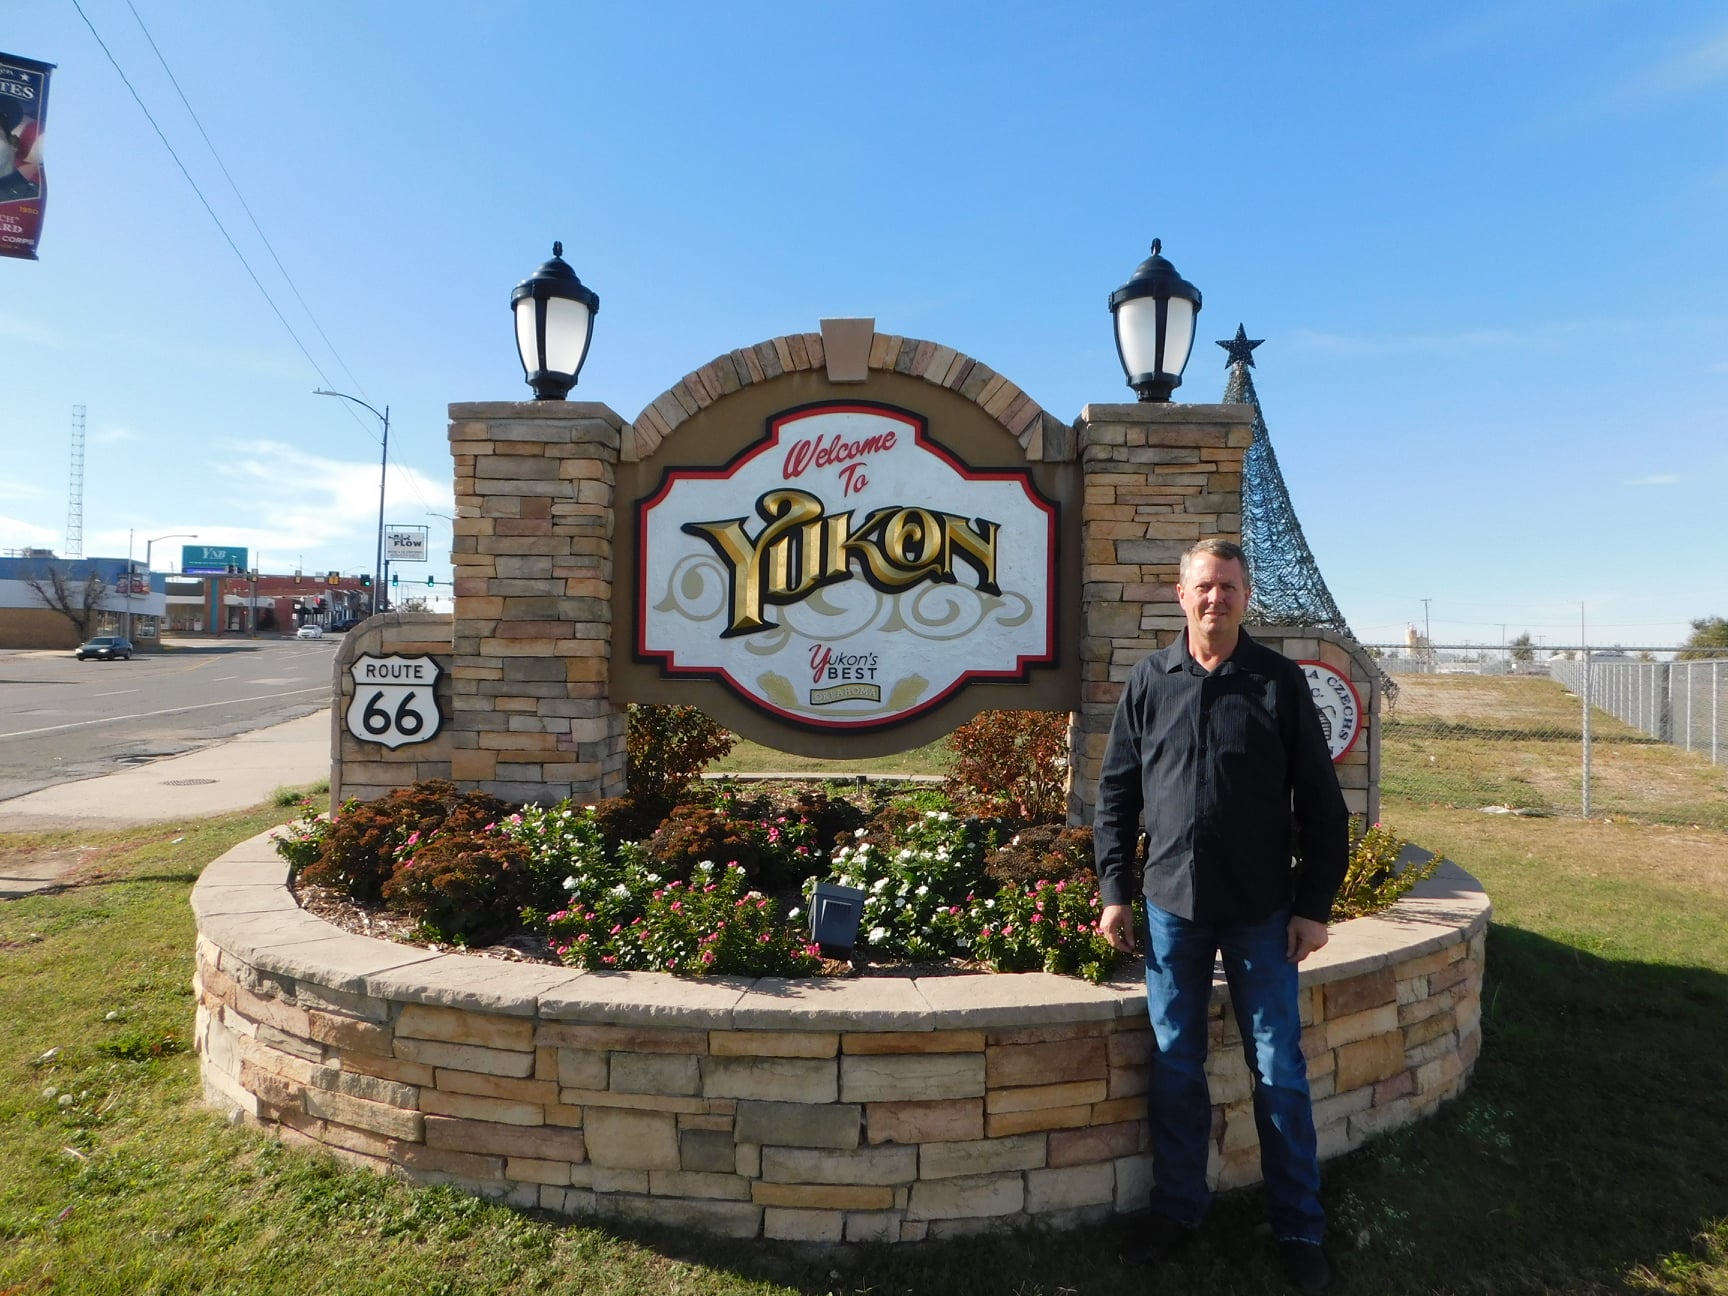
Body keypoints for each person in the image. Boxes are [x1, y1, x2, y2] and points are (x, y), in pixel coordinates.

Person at [1094, 537, 1349, 1295]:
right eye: (1204, 587)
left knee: (1278, 1070)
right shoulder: (1151, 680)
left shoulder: (1276, 682)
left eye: (1229, 588)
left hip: (1262, 913)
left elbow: (1322, 806)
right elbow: (1116, 796)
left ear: (1245, 598)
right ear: (1181, 595)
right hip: (1172, 907)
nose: (1216, 600)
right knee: (1176, 1065)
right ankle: (1177, 1211)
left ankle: (1299, 1225)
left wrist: (1313, 906)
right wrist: (1114, 890)